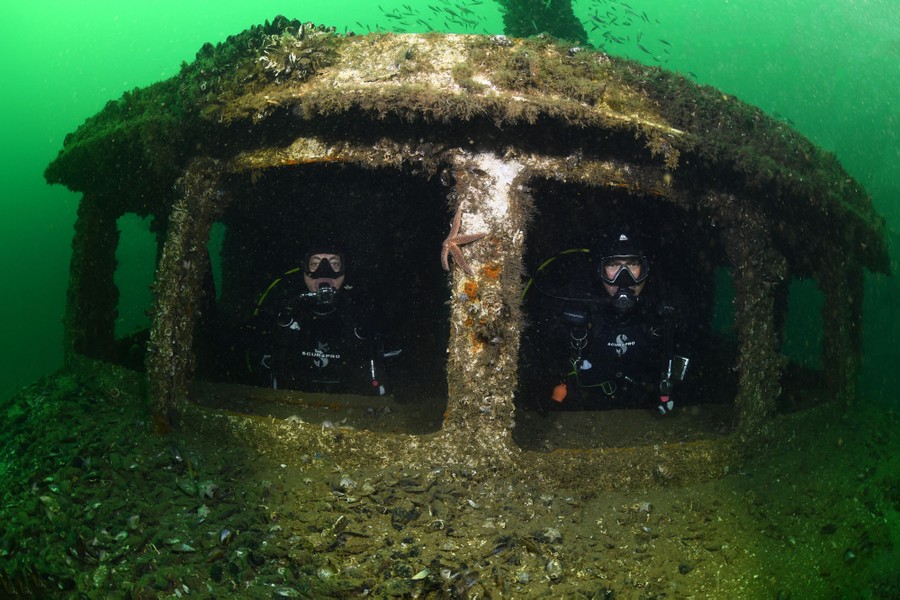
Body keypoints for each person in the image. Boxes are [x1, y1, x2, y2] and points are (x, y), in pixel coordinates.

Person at [528, 232, 690, 414]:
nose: (624, 278)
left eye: (633, 264)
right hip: (585, 411)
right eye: (613, 265)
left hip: (645, 406)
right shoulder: (576, 307)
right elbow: (542, 356)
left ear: (644, 269)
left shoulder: (665, 311)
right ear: (600, 270)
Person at [245, 246, 394, 395]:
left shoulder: (361, 312)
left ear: (344, 271)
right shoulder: (285, 310)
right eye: (315, 264)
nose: (324, 270)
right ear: (304, 271)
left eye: (335, 264)